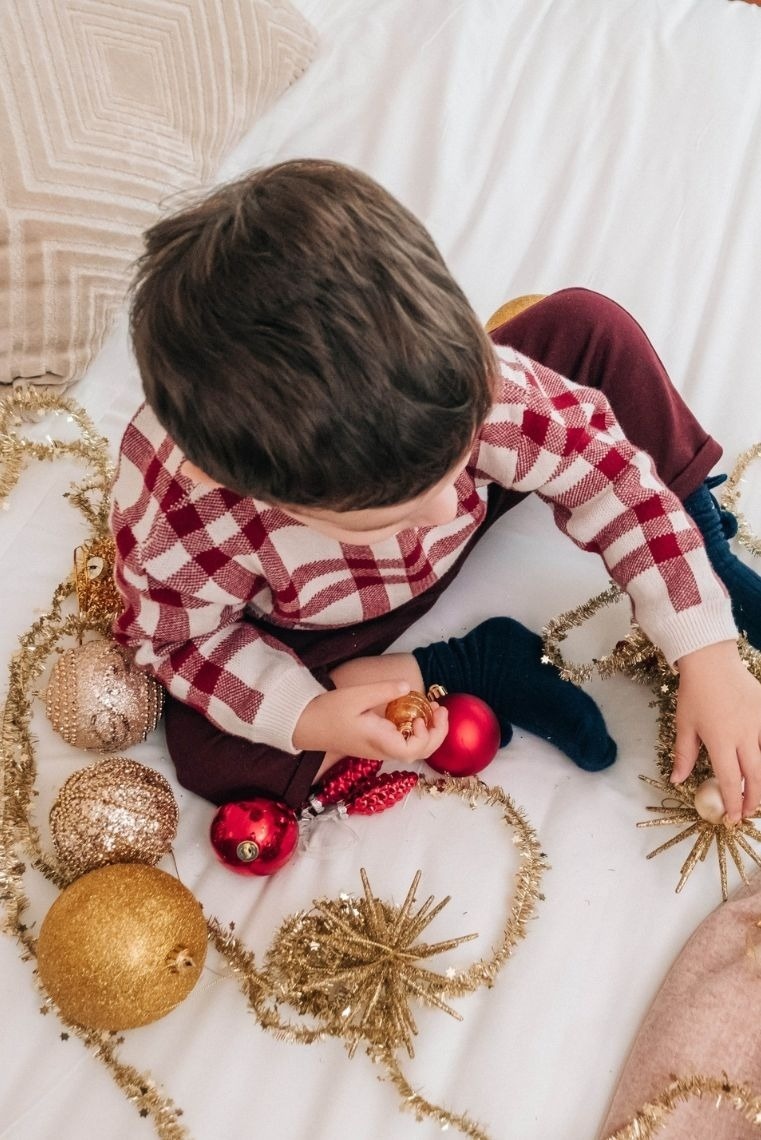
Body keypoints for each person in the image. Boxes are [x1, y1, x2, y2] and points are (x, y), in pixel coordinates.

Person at [110, 159, 761, 824]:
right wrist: (310, 716)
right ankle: (469, 668)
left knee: (587, 325)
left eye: (454, 468)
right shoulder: (184, 518)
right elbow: (178, 642)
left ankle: (705, 555)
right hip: (328, 614)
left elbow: (606, 470)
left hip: (464, 458)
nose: (448, 511)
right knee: (208, 751)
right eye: (384, 517)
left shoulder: (470, 389)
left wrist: (703, 649)